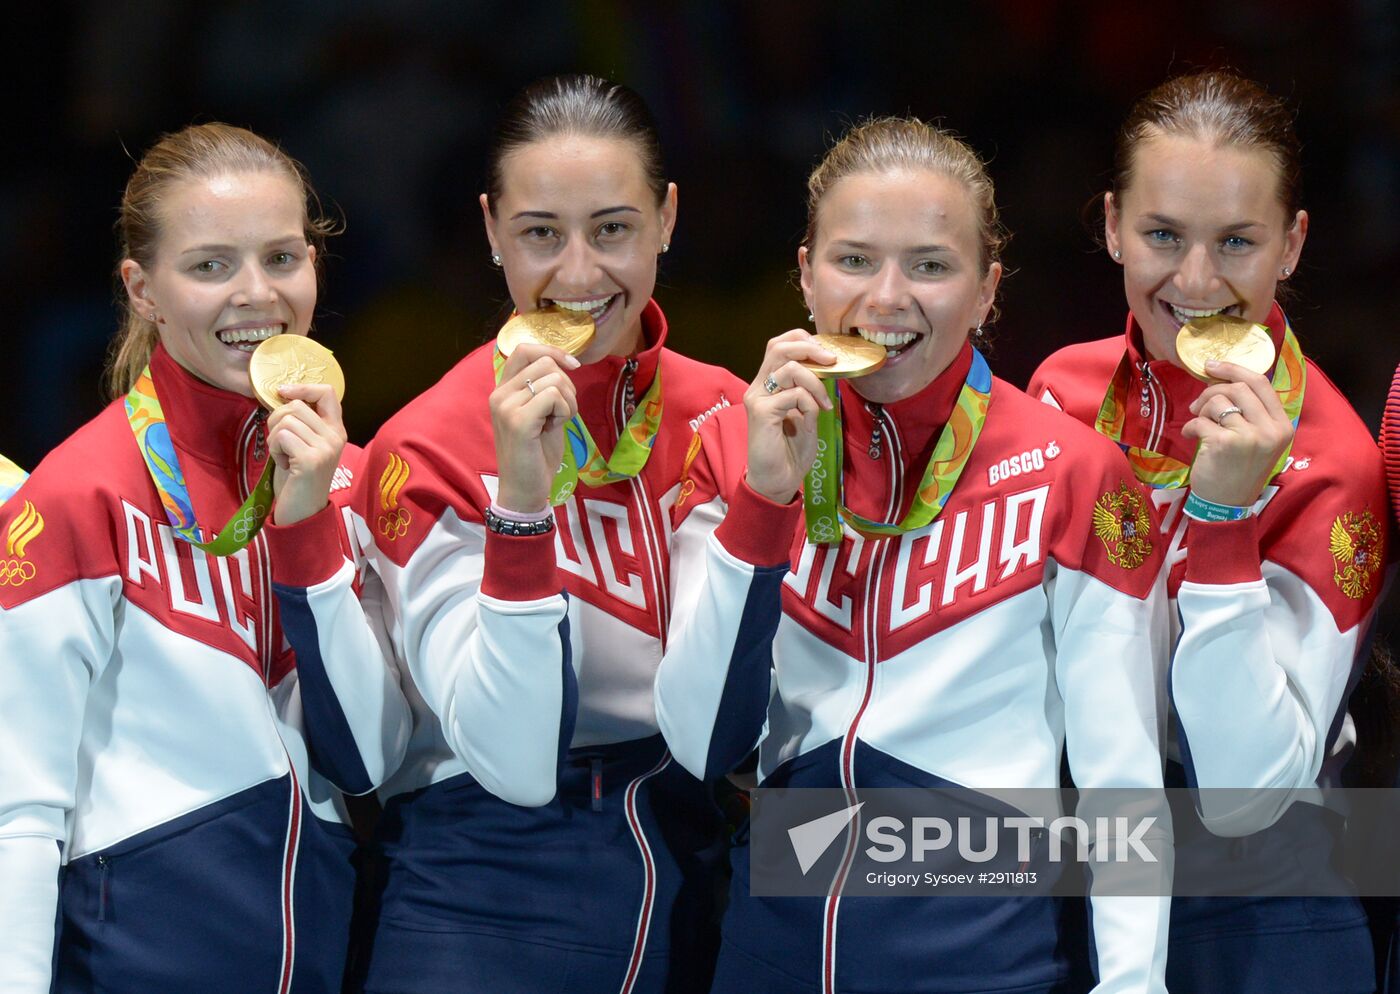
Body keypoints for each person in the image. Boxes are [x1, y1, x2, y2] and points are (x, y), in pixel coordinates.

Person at [655, 116, 1171, 994]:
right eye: (855, 260)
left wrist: (1134, 984)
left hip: (988, 960)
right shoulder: (732, 451)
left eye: (931, 265)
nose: (888, 297)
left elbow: (1123, 777)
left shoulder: (1074, 472)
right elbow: (702, 741)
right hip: (769, 954)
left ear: (986, 290)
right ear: (806, 274)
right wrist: (763, 505)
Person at [268, 74, 747, 993]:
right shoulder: (432, 442)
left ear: (668, 218)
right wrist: (522, 506)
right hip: (485, 892)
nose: (576, 275)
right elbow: (515, 764)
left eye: (612, 229)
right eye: (540, 234)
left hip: (695, 879)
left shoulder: (729, 415)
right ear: (490, 230)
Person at [0, 122, 404, 993]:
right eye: (210, 266)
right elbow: (18, 812)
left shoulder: (353, 481)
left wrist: (306, 531)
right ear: (142, 290)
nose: (256, 296)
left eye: (282, 258)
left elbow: (369, 760)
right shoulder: (78, 496)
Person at [1028, 70, 1387, 994]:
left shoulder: (1333, 462)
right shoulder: (1059, 394)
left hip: (1260, 916)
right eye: (1161, 235)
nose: (1194, 282)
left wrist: (1224, 520)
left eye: (1236, 241)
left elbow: (1244, 795)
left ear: (1292, 244)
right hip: (1070, 886)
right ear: (1112, 226)